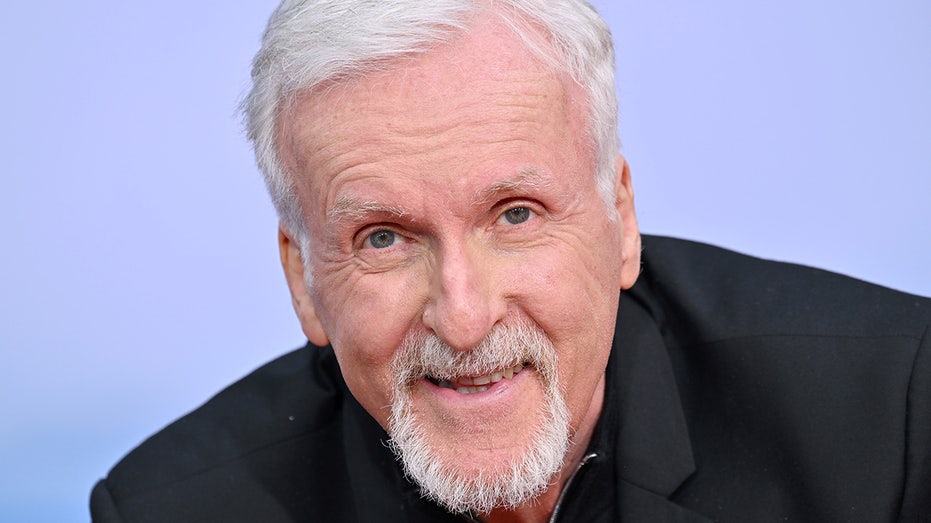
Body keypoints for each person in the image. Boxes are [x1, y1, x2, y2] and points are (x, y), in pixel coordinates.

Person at [90, 0, 931, 521]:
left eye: (515, 214)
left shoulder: (888, 416)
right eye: (382, 236)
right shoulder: (175, 508)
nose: (463, 315)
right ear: (303, 280)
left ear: (621, 219)